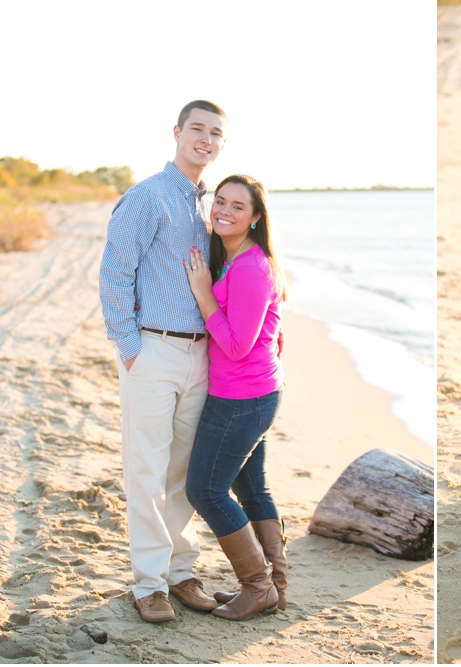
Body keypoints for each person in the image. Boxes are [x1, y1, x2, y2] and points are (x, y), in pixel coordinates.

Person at [99, 100, 227, 623]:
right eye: (197, 128)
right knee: (147, 470)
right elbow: (114, 273)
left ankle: (182, 572)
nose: (206, 138)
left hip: (201, 356)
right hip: (152, 351)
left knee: (182, 472)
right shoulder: (148, 196)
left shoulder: (209, 206)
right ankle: (149, 583)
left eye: (216, 133)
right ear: (177, 132)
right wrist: (130, 349)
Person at [183, 174, 288, 621]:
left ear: (256, 217)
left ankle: (258, 586)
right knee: (250, 487)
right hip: (257, 391)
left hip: (241, 398)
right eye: (219, 201)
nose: (224, 210)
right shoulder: (236, 257)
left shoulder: (248, 267)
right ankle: (277, 585)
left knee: (205, 491)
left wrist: (204, 295)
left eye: (238, 206)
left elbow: (237, 345)